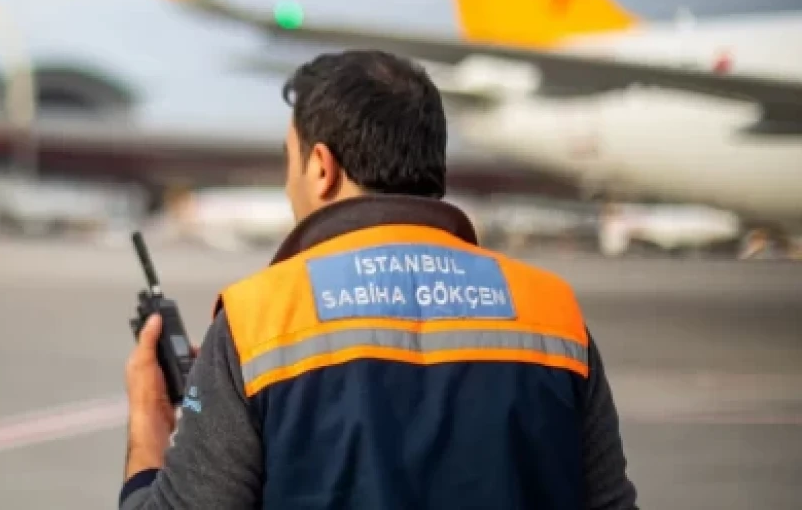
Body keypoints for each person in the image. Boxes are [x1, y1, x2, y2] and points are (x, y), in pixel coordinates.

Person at [119, 50, 639, 509]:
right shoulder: (551, 311)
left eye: (289, 161)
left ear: (321, 168)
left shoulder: (258, 322)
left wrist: (148, 423)